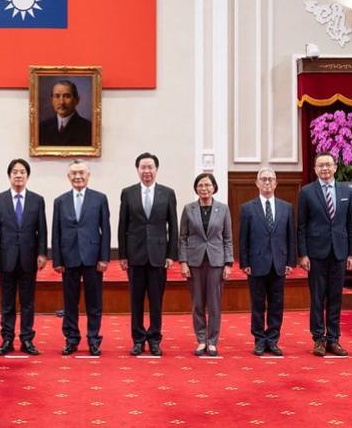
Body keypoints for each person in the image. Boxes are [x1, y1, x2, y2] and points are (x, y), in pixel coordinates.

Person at [117, 152, 178, 357]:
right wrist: (123, 256)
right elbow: (122, 225)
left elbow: (174, 226)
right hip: (135, 255)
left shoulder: (168, 193)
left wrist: (171, 255)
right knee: (136, 300)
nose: (147, 171)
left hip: (159, 255)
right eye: (143, 167)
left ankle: (154, 339)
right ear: (137, 170)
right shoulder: (128, 193)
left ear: (156, 169)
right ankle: (137, 339)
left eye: (150, 167)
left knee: (156, 300)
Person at [297, 152, 352, 357]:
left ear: (335, 167)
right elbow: (302, 226)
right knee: (317, 298)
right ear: (315, 169)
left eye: (328, 165)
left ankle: (333, 339)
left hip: (339, 253)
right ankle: (319, 339)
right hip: (315, 254)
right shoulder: (306, 192)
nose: (325, 168)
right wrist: (303, 254)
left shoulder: (345, 191)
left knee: (335, 297)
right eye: (320, 165)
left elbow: (351, 226)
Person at [0, 158, 48, 356]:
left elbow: (42, 230)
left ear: (27, 176)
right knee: (7, 301)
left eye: (22, 172)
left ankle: (27, 339)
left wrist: (42, 253)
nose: (18, 175)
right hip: (6, 257)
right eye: (15, 172)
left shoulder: (37, 200)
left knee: (28, 302)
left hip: (29, 258)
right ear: (9, 175)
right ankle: (7, 339)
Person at [51, 160, 110, 356]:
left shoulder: (99, 199)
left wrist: (104, 258)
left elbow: (106, 230)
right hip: (69, 258)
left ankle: (94, 339)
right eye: (74, 174)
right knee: (70, 303)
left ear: (88, 175)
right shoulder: (60, 201)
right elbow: (56, 232)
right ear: (68, 177)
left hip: (93, 258)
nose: (78, 177)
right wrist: (57, 260)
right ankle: (71, 339)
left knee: (94, 302)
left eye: (81, 173)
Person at [238, 167, 296, 356]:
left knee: (277, 304)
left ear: (276, 183)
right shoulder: (247, 208)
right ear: (257, 183)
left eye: (271, 179)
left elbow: (290, 236)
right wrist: (244, 262)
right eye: (263, 179)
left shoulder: (286, 207)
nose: (267, 182)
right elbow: (243, 238)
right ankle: (259, 340)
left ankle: (272, 339)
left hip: (279, 264)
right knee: (257, 305)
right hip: (256, 264)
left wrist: (290, 261)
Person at [179, 173, 233, 357]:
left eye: (208, 185)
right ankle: (201, 340)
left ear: (214, 187)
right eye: (200, 185)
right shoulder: (188, 209)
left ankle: (213, 342)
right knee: (197, 303)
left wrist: (228, 263)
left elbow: (227, 239)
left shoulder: (223, 209)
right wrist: (183, 262)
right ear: (196, 188)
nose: (204, 188)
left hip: (216, 262)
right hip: (194, 262)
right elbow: (183, 238)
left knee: (215, 304)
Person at [38, 80, 92, 147]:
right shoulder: (41, 128)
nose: (61, 102)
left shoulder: (89, 129)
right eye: (57, 96)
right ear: (52, 100)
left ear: (77, 100)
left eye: (67, 96)